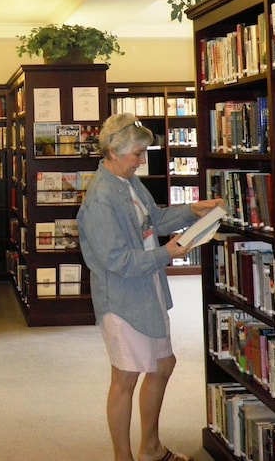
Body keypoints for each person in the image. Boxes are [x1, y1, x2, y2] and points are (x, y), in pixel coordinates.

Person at [76, 113, 224, 461]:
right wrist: (168, 253)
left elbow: (155, 219)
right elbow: (118, 261)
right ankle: (124, 457)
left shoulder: (128, 182)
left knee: (163, 365)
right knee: (125, 378)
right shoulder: (100, 199)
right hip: (123, 298)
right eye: (137, 154)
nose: (142, 160)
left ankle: (151, 448)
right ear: (113, 151)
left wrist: (192, 210)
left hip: (148, 288)